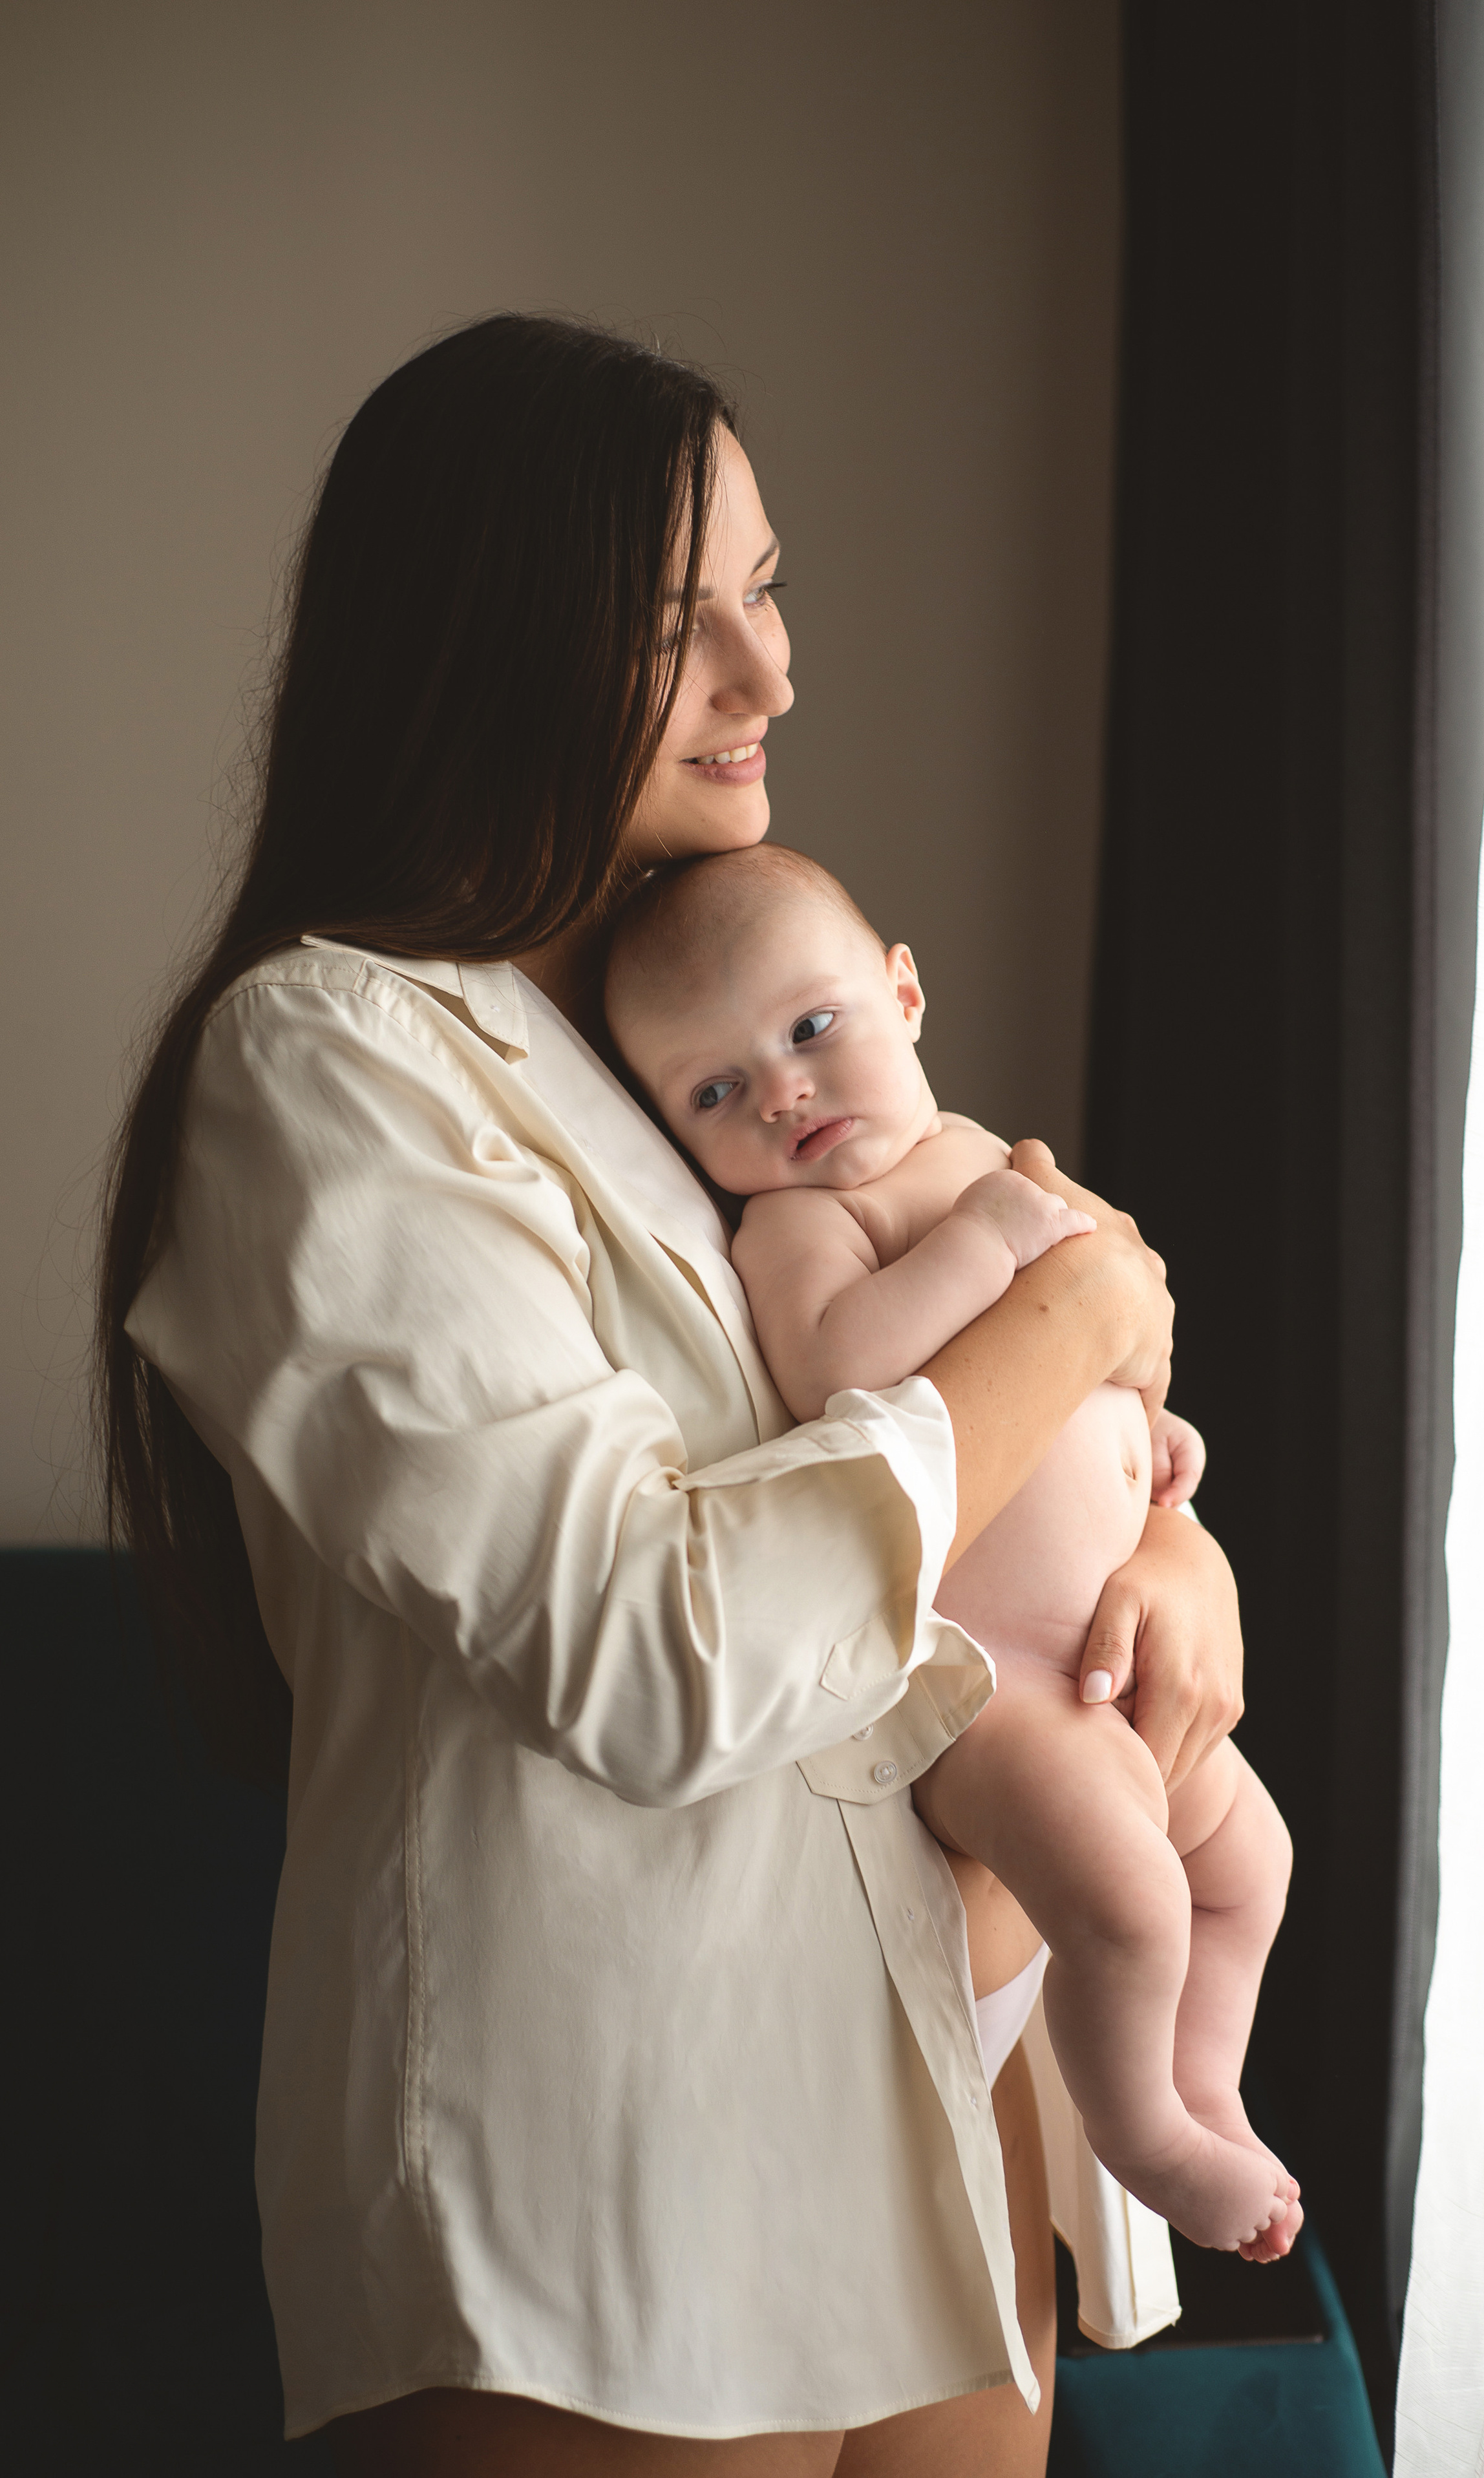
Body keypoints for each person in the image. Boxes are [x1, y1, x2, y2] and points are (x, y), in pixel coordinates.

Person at [96, 315, 1245, 2477]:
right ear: (484, 638)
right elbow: (659, 1642)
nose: (771, 670)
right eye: (674, 620)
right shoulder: (334, 1056)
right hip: (598, 2166)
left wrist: (1168, 1553)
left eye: (768, 587)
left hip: (933, 2079)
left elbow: (992, 1414)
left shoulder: (711, 1022)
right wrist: (1077, 1317)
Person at [604, 844, 1300, 2266]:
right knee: (1127, 1898)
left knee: (1250, 1869)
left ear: (902, 995)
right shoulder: (804, 1227)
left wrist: (1161, 1459)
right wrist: (988, 1244)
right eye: (714, 1091)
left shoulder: (987, 1152)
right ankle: (1140, 2132)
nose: (783, 1091)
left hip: (1119, 1648)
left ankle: (1205, 2082)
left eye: (808, 1030)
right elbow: (840, 1370)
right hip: (992, 1692)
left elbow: (1111, 1366)